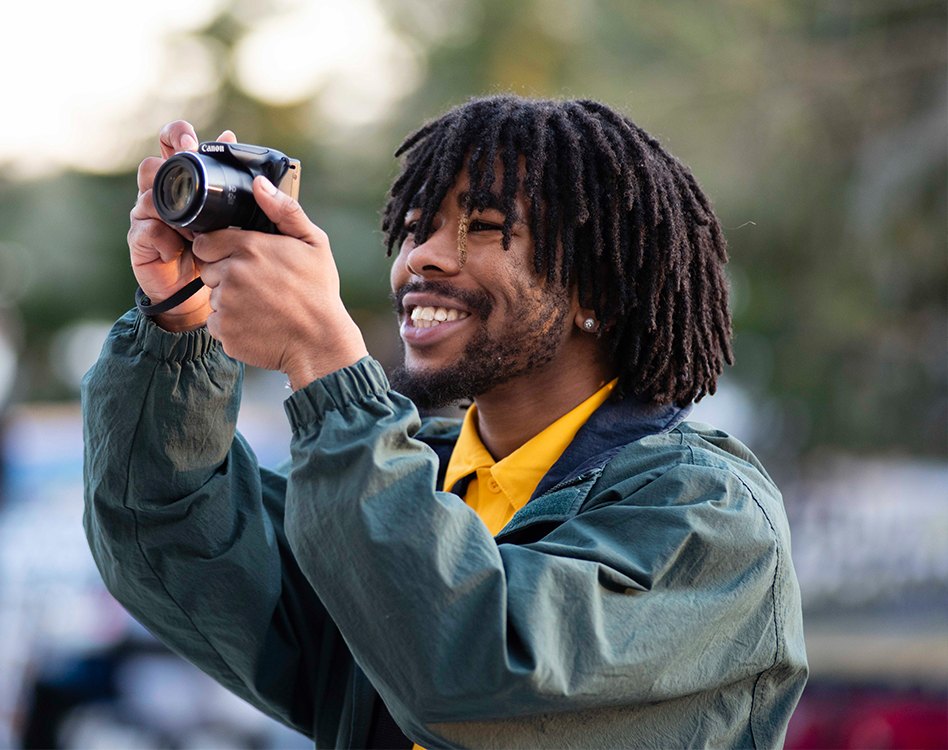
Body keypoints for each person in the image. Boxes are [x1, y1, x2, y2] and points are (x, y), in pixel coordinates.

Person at [83, 95, 807, 749]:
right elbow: (173, 536)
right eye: (411, 229)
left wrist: (325, 361)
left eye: (483, 227)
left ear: (599, 295)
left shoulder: (708, 515)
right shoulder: (408, 474)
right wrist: (176, 323)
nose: (418, 259)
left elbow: (475, 670)